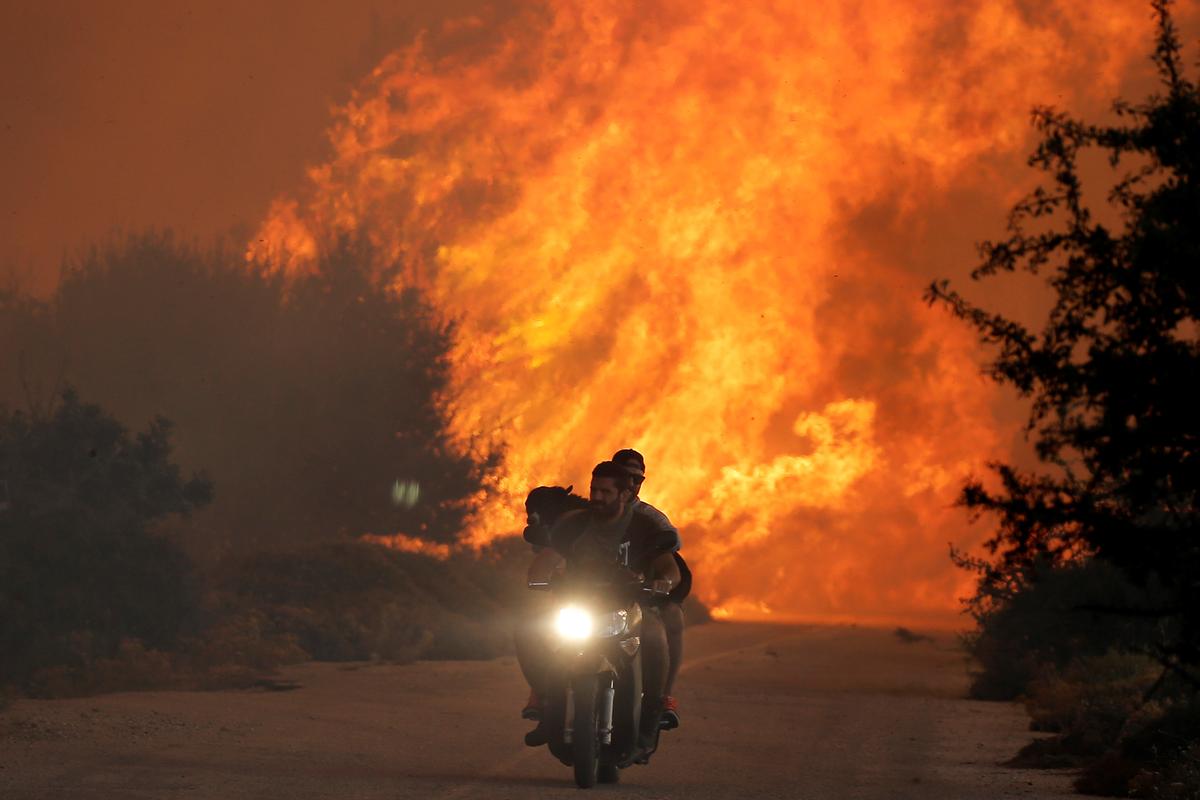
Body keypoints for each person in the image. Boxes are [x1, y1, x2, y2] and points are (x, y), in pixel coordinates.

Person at [517, 461, 680, 748]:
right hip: (580, 603)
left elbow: (670, 567)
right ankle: (546, 703)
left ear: (623, 494)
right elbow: (548, 557)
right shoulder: (574, 523)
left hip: (630, 604)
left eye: (606, 492)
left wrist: (663, 582)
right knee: (527, 631)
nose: (598, 497)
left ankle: (652, 714)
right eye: (594, 490)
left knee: (654, 637)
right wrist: (540, 576)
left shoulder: (645, 525)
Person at [611, 448, 688, 729]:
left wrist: (662, 584)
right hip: (592, 598)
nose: (631, 485)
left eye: (637, 479)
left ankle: (661, 699)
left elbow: (669, 564)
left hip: (637, 599)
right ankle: (546, 695)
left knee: (663, 626)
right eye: (624, 477)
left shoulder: (650, 521)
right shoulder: (587, 515)